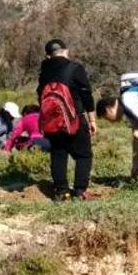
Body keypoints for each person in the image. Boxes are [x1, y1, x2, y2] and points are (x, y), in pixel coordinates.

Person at [38, 39, 98, 201]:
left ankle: (61, 192)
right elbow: (86, 94)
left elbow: (40, 96)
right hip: (75, 119)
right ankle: (79, 191)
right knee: (83, 155)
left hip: (51, 121)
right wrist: (92, 120)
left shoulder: (44, 72)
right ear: (66, 50)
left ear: (48, 55)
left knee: (58, 154)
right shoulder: (75, 68)